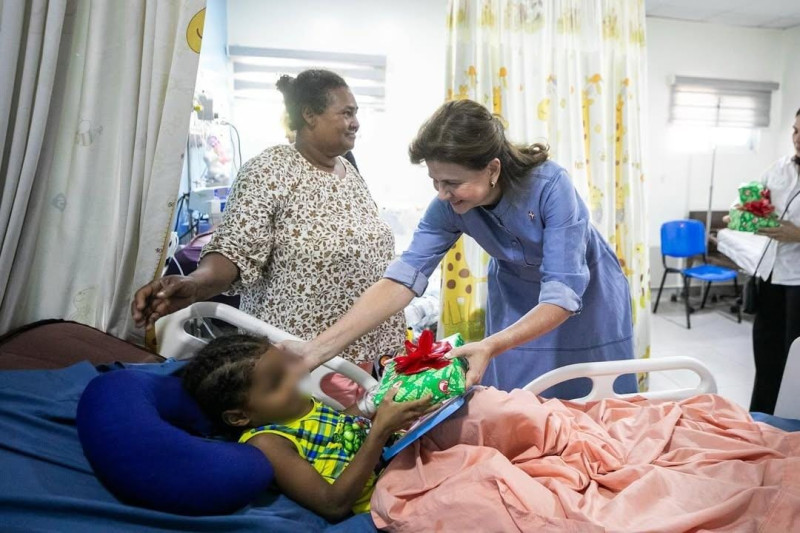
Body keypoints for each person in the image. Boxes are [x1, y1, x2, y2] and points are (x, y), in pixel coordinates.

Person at [282, 99, 636, 398]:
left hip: (585, 295)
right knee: (520, 394)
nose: (442, 193)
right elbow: (402, 279)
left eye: (452, 182)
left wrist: (491, 344)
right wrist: (318, 348)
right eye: (435, 181)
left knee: (588, 392)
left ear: (492, 168)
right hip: (516, 294)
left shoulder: (549, 186)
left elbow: (562, 292)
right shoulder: (448, 207)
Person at [131, 70, 405, 374]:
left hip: (362, 354)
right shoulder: (269, 170)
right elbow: (235, 248)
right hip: (298, 358)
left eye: (355, 113)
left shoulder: (349, 171)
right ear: (310, 115)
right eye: (346, 113)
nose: (355, 122)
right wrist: (195, 284)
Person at [182, 333, 435, 520]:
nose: (295, 376)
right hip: (381, 502)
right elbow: (332, 504)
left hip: (398, 464)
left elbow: (339, 427)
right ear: (239, 417)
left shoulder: (299, 405)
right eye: (276, 381)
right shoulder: (268, 442)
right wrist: (379, 431)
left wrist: (374, 401)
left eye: (287, 366)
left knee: (472, 409)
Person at [749, 107, 800, 414]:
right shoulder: (777, 170)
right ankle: (760, 423)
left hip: (798, 283)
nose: (797, 139)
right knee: (766, 359)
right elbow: (755, 208)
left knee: (795, 361)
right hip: (770, 276)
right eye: (795, 131)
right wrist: (744, 216)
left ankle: (792, 428)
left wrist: (798, 234)